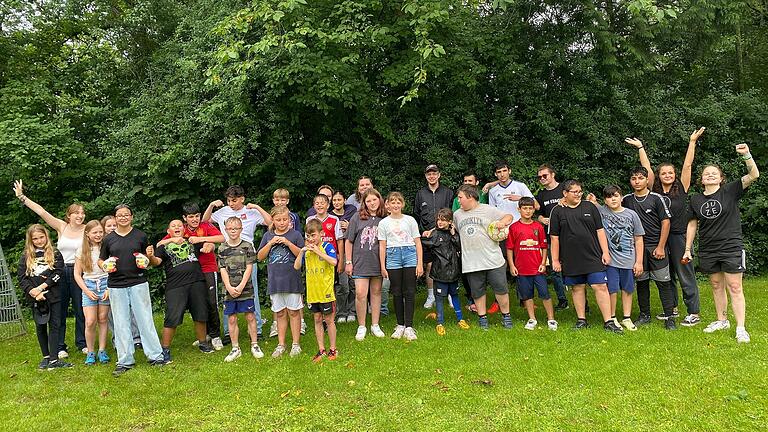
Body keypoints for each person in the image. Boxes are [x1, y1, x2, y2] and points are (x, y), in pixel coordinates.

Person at [683, 143, 759, 343]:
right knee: (716, 284)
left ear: (721, 178)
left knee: (735, 287)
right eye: (706, 174)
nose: (709, 175)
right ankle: (721, 320)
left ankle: (741, 328)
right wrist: (687, 248)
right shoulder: (695, 199)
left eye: (713, 173)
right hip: (708, 248)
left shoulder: (730, 191)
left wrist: (746, 155)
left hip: (731, 246)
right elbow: (692, 224)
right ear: (701, 179)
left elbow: (753, 175)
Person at [630, 129, 704, 326]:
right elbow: (646, 168)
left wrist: (692, 142)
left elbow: (687, 164)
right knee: (667, 275)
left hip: (678, 237)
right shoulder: (654, 190)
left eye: (670, 172)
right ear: (658, 176)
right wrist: (640, 148)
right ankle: (671, 308)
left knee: (684, 273)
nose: (667, 175)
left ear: (675, 175)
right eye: (664, 173)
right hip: (657, 238)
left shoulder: (682, 187)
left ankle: (693, 312)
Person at [14, 180, 86, 358]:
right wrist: (22, 197)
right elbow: (41, 211)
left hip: (79, 272)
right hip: (58, 272)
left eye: (82, 213)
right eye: (76, 213)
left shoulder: (88, 229)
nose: (80, 215)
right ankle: (60, 346)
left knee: (80, 309)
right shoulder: (62, 226)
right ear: (68, 215)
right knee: (58, 310)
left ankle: (82, 342)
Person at [99, 205, 165, 377]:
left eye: (126, 215)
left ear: (132, 217)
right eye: (120, 215)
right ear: (115, 218)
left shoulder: (140, 235)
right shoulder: (108, 239)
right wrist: (105, 265)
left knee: (145, 319)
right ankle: (125, 360)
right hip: (116, 285)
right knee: (121, 323)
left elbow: (148, 260)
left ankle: (156, 356)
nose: (123, 218)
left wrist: (147, 258)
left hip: (138, 282)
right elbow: (101, 260)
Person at [549, 180, 623, 333]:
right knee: (577, 288)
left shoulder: (590, 207)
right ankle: (581, 320)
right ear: (565, 194)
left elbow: (600, 231)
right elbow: (554, 238)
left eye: (580, 191)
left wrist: (605, 252)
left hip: (593, 255)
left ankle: (609, 321)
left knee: (600, 286)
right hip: (570, 258)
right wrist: (555, 260)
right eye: (574, 192)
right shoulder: (557, 211)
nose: (578, 194)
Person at [204, 185, 272, 338]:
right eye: (228, 200)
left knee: (251, 291)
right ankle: (229, 332)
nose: (231, 204)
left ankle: (257, 329)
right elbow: (205, 220)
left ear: (242, 198)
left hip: (247, 253)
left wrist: (257, 207)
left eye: (234, 200)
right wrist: (211, 205)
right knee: (228, 291)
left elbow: (270, 222)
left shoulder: (251, 212)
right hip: (227, 253)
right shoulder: (222, 212)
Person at [619, 152, 677, 329]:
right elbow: (612, 210)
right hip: (636, 249)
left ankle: (669, 317)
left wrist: (661, 246)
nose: (637, 181)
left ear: (647, 180)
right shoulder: (627, 200)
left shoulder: (656, 198)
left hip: (655, 247)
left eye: (641, 178)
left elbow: (666, 223)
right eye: (634, 178)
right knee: (642, 282)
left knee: (663, 282)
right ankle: (645, 315)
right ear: (631, 181)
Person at [157, 203, 225, 350]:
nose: (194, 219)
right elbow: (160, 244)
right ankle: (204, 336)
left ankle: (215, 335)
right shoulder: (181, 230)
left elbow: (221, 238)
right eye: (191, 217)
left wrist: (204, 242)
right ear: (185, 219)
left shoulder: (205, 226)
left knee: (211, 302)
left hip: (207, 268)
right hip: (190, 274)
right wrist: (171, 240)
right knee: (199, 305)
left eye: (197, 216)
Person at [147, 220, 214, 363]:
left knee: (201, 313)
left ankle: (203, 343)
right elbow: (157, 262)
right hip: (175, 286)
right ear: (168, 231)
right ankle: (165, 349)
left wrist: (209, 244)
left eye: (179, 225)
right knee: (172, 317)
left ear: (184, 229)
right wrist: (151, 257)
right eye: (173, 226)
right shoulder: (164, 246)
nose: (177, 227)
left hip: (197, 282)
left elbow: (209, 244)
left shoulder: (192, 241)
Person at [453, 185, 514, 330]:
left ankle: (506, 316)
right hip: (471, 262)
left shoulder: (488, 209)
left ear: (470, 197)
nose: (458, 200)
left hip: (493, 259)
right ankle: (482, 318)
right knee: (477, 292)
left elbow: (509, 216)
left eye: (460, 197)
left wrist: (502, 223)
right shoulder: (457, 214)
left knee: (501, 289)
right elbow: (451, 229)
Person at [587, 186, 645, 331]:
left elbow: (638, 239)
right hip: (610, 261)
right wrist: (593, 202)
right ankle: (612, 317)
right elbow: (591, 206)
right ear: (605, 200)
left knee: (627, 289)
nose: (613, 199)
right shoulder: (602, 212)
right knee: (611, 289)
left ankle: (626, 317)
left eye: (616, 196)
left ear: (621, 197)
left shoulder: (632, 215)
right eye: (609, 197)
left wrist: (638, 262)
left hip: (628, 259)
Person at [18, 224, 72, 370]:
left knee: (55, 325)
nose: (39, 241)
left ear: (46, 236)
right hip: (35, 298)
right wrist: (33, 292)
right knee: (40, 326)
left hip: (53, 296)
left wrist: (42, 288)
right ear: (30, 240)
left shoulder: (55, 253)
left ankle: (54, 360)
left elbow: (58, 273)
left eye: (41, 237)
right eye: (35, 239)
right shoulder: (26, 256)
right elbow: (22, 278)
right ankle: (46, 357)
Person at [258, 206, 305, 357]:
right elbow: (259, 257)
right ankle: (281, 344)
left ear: (289, 219)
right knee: (279, 313)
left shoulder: (296, 234)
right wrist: (270, 243)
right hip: (275, 281)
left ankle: (296, 344)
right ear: (273, 220)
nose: (282, 222)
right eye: (278, 220)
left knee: (293, 312)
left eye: (285, 219)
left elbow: (302, 255)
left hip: (292, 280)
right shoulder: (267, 236)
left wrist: (288, 243)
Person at [505, 197, 556, 331]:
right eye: (525, 208)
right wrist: (512, 265)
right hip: (522, 269)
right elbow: (509, 248)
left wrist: (543, 263)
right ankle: (532, 318)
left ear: (534, 210)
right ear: (519, 209)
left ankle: (551, 319)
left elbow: (544, 247)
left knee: (545, 293)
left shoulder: (538, 227)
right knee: (527, 295)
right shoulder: (514, 228)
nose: (527, 211)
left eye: (530, 208)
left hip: (537, 268)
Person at [378, 192, 423, 341]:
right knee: (396, 291)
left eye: (398, 202)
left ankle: (409, 327)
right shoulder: (383, 223)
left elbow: (417, 242)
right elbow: (382, 246)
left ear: (402, 204)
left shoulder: (410, 220)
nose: (396, 205)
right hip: (393, 256)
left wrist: (420, 263)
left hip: (409, 254)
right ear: (388, 205)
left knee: (409, 291)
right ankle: (400, 325)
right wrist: (383, 265)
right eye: (393, 202)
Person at [217, 217, 263, 362]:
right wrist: (229, 287)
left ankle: (254, 344)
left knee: (250, 316)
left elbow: (250, 267)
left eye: (236, 228)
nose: (233, 231)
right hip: (229, 290)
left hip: (246, 288)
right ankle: (235, 348)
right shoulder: (222, 248)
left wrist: (242, 285)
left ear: (241, 229)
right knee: (231, 318)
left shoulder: (247, 246)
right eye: (230, 228)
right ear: (226, 230)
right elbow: (222, 269)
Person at [294, 219, 339, 362]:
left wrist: (319, 252)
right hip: (313, 293)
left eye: (313, 235)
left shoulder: (327, 246)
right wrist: (301, 252)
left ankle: (333, 349)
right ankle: (321, 350)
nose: (311, 239)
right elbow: (296, 267)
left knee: (329, 320)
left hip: (326, 292)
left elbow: (334, 262)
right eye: (308, 236)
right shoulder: (307, 251)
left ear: (321, 234)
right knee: (317, 319)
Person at [345, 188, 386, 341]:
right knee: (361, 294)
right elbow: (348, 241)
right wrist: (348, 262)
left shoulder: (385, 218)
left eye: (374, 200)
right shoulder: (357, 218)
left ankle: (375, 325)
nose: (372, 203)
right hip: (360, 262)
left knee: (376, 293)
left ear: (379, 200)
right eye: (368, 201)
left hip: (377, 262)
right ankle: (361, 326)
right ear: (364, 203)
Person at [422, 208, 469, 335]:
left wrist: (453, 232)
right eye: (438, 220)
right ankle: (440, 322)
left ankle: (460, 319)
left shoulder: (453, 234)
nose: (440, 223)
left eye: (443, 220)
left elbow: (459, 245)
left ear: (450, 222)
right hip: (439, 273)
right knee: (439, 298)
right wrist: (425, 234)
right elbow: (424, 243)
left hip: (453, 272)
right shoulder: (435, 234)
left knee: (455, 295)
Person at [414, 164, 454, 310]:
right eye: (429, 174)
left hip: (445, 235)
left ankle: (450, 294)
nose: (431, 176)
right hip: (427, 237)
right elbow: (417, 214)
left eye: (434, 173)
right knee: (430, 265)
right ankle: (431, 295)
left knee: (447, 263)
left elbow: (452, 213)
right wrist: (424, 231)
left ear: (439, 175)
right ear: (426, 176)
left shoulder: (448, 192)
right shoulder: (421, 193)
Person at [73, 220, 111, 365]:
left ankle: (102, 350)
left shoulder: (106, 247)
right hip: (88, 285)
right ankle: (90, 351)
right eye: (95, 232)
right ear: (87, 234)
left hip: (105, 283)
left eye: (100, 232)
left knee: (102, 319)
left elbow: (113, 268)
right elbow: (77, 274)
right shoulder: (81, 249)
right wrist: (87, 291)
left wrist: (108, 288)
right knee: (90, 321)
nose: (98, 235)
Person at [534, 164, 569, 310]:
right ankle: (562, 300)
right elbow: (538, 213)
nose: (542, 179)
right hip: (550, 237)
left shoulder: (564, 189)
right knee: (555, 271)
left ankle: (584, 303)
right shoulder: (541, 195)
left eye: (545, 176)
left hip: (569, 235)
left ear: (553, 175)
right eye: (539, 177)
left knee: (575, 269)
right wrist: (541, 219)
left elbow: (578, 203)